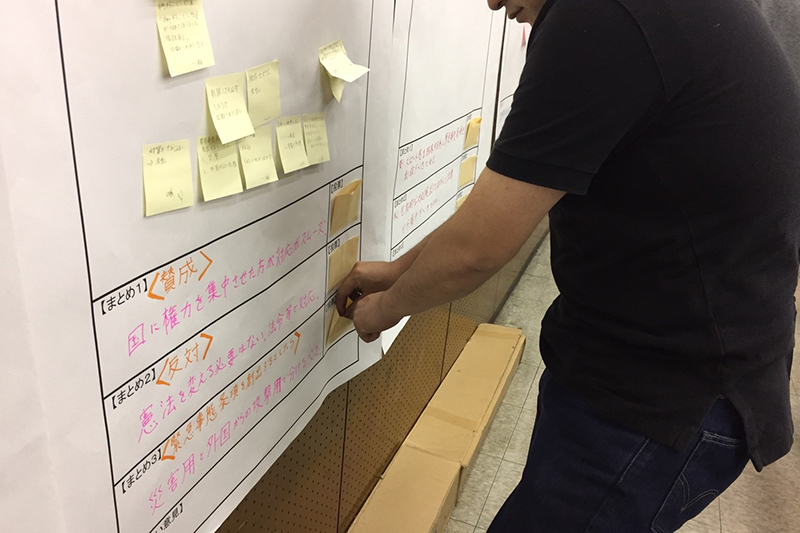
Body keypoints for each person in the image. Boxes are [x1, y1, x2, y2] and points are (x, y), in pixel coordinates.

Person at [336, 0, 800, 531]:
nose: (492, 3)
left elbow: (476, 248)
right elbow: (494, 213)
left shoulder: (600, 16)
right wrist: (397, 272)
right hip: (675, 366)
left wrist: (385, 309)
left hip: (663, 398)